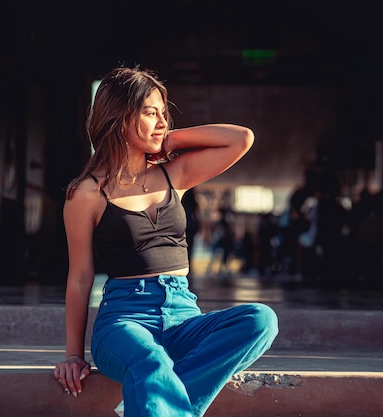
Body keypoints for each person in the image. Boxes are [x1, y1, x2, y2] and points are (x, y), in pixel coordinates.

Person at [53, 65, 279, 417]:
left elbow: (242, 139)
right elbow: (80, 277)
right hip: (124, 321)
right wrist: (72, 355)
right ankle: (156, 398)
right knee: (151, 358)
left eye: (163, 113)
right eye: (150, 113)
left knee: (261, 320)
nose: (162, 121)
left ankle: (149, 401)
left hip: (183, 315)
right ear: (120, 116)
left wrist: (169, 140)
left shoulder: (174, 174)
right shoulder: (86, 193)